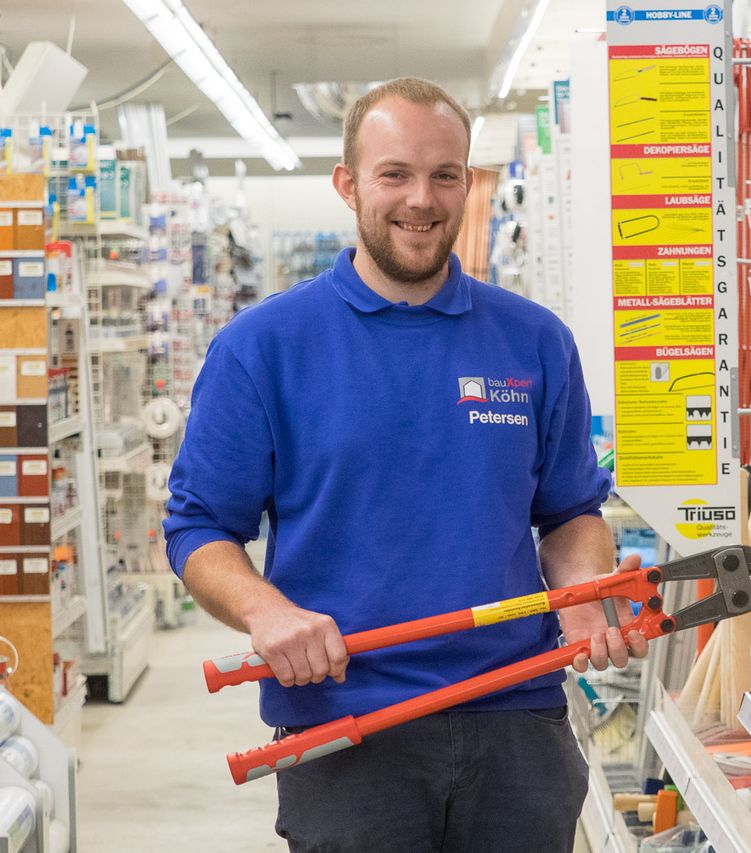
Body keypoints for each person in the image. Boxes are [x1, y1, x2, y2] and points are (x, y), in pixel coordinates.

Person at [164, 77, 648, 853]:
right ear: (348, 185)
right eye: (394, 174)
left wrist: (584, 599)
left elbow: (567, 510)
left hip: (517, 718)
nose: (421, 199)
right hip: (347, 725)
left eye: (444, 175)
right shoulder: (262, 348)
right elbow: (198, 528)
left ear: (465, 182)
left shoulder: (534, 340)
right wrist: (267, 612)